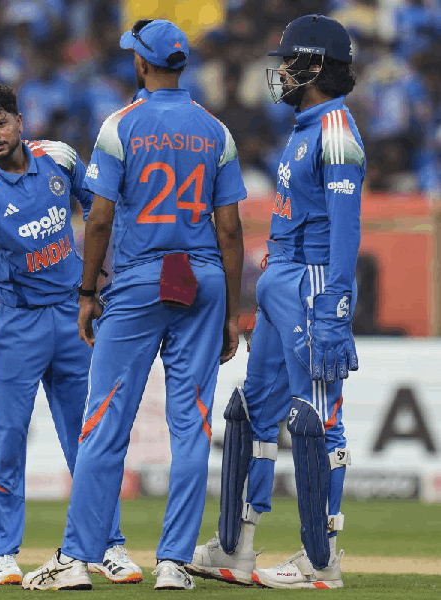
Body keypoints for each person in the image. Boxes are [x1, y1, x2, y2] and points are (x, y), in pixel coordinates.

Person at [21, 18, 246, 591]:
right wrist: (231, 314)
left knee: (102, 425)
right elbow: (231, 232)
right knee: (190, 426)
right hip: (203, 279)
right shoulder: (216, 131)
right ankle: (173, 563)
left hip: (141, 280)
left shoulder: (120, 126)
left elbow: (98, 218)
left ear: (143, 65)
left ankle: (75, 560)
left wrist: (88, 291)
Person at [0, 83, 143, 587]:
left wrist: (103, 271)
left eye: (0, 123)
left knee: (89, 437)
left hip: (74, 316)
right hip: (16, 322)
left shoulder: (61, 158)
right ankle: (0, 554)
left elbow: (98, 206)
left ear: (20, 122)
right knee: (7, 435)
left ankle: (106, 546)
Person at [187, 14, 362, 590]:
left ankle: (321, 561)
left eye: (290, 61)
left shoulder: (335, 130)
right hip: (280, 282)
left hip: (311, 285)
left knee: (315, 419)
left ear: (315, 65)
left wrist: (335, 310)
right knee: (250, 412)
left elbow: (345, 232)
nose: (281, 72)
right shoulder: (306, 127)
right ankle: (234, 548)